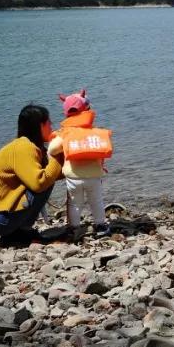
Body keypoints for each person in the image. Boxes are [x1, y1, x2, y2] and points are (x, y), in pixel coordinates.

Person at [0, 104, 62, 242]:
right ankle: (22, 230)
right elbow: (39, 183)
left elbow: (54, 173)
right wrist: (56, 156)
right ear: (39, 126)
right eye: (49, 123)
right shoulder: (24, 148)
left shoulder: (26, 145)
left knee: (47, 178)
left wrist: (81, 169)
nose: (52, 127)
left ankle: (17, 233)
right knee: (45, 182)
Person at [48, 89, 111, 237]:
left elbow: (52, 149)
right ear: (88, 110)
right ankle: (100, 226)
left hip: (73, 177)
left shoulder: (65, 133)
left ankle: (74, 227)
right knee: (96, 201)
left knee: (75, 203)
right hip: (94, 176)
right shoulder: (94, 132)